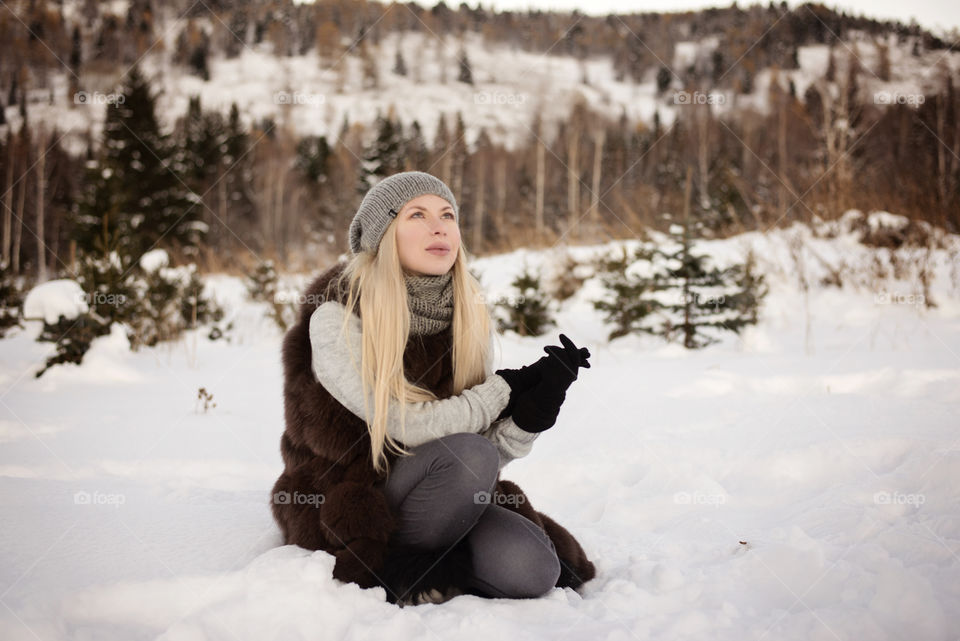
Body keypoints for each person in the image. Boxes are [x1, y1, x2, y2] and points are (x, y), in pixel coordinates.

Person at [271, 171, 596, 606]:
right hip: (353, 504)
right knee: (469, 453)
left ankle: (426, 566)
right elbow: (404, 424)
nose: (439, 226)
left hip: (438, 497)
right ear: (383, 235)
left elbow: (477, 457)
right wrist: (504, 388)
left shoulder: (464, 319)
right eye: (417, 215)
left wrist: (530, 414)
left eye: (447, 215)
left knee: (534, 569)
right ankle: (399, 567)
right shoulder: (337, 316)